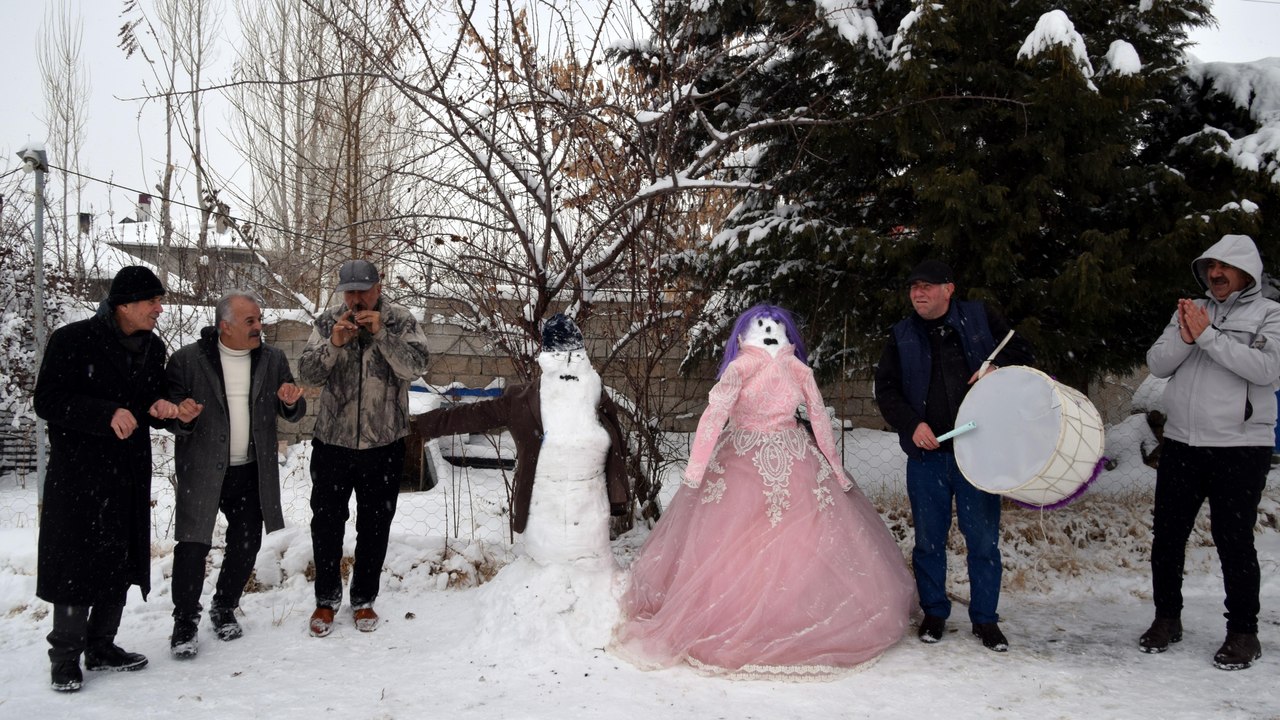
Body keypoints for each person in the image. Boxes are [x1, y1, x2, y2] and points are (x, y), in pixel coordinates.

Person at [614, 304, 914, 679]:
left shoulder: (797, 369)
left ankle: (794, 608)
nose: (769, 332)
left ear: (788, 334)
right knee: (737, 537)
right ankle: (746, 612)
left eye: (776, 326)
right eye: (761, 326)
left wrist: (836, 468)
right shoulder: (740, 368)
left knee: (803, 536)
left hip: (793, 456)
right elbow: (714, 416)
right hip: (741, 457)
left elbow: (820, 417)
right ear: (742, 336)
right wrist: (695, 469)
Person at [33, 266, 196, 692]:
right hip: (79, 477)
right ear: (124, 304)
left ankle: (102, 646)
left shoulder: (151, 347)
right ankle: (65, 657)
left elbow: (145, 401)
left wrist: (166, 408)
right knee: (74, 564)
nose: (160, 309)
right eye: (152, 302)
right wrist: (103, 413)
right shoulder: (72, 340)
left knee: (117, 560)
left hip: (127, 475)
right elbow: (48, 400)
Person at [874, 259, 1033, 652]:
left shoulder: (980, 319)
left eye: (927, 285)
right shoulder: (902, 335)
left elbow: (1023, 352)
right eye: (913, 286)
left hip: (979, 452)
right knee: (928, 540)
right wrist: (912, 424)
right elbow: (887, 390)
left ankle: (985, 619)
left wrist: (997, 366)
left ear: (950, 288)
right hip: (929, 455)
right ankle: (934, 613)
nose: (918, 293)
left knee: (982, 540)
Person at [1140, 233, 1280, 671]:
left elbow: (1266, 369)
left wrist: (1207, 337)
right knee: (1167, 537)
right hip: (1183, 443)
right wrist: (1187, 333)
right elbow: (1158, 363)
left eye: (1224, 267)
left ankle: (1243, 632)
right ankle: (1167, 619)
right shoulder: (1193, 311)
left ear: (1247, 272)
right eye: (1209, 267)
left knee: (1232, 540)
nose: (1215, 274)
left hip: (1240, 447)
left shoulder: (1269, 315)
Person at [413, 313, 630, 565]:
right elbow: (473, 415)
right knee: (543, 582)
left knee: (591, 587)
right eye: (560, 355)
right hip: (544, 520)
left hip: (591, 528)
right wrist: (422, 425)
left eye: (577, 356)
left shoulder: (597, 399)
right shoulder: (524, 402)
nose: (569, 364)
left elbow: (617, 448)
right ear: (548, 359)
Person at [165, 291, 307, 658]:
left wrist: (291, 402)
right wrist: (183, 415)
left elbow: (291, 406)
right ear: (224, 326)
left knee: (246, 544)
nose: (260, 326)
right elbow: (170, 415)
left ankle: (224, 606)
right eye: (251, 321)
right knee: (193, 546)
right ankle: (185, 621)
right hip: (203, 470)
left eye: (260, 319)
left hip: (250, 470)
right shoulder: (187, 360)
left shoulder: (272, 359)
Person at [297, 259, 430, 637]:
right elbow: (307, 374)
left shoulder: (401, 320)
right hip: (332, 443)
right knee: (326, 523)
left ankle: (363, 600)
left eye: (363, 290)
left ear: (378, 286)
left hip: (383, 443)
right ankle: (326, 600)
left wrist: (382, 336)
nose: (356, 299)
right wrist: (334, 344)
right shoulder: (327, 322)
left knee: (375, 525)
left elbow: (416, 368)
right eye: (349, 291)